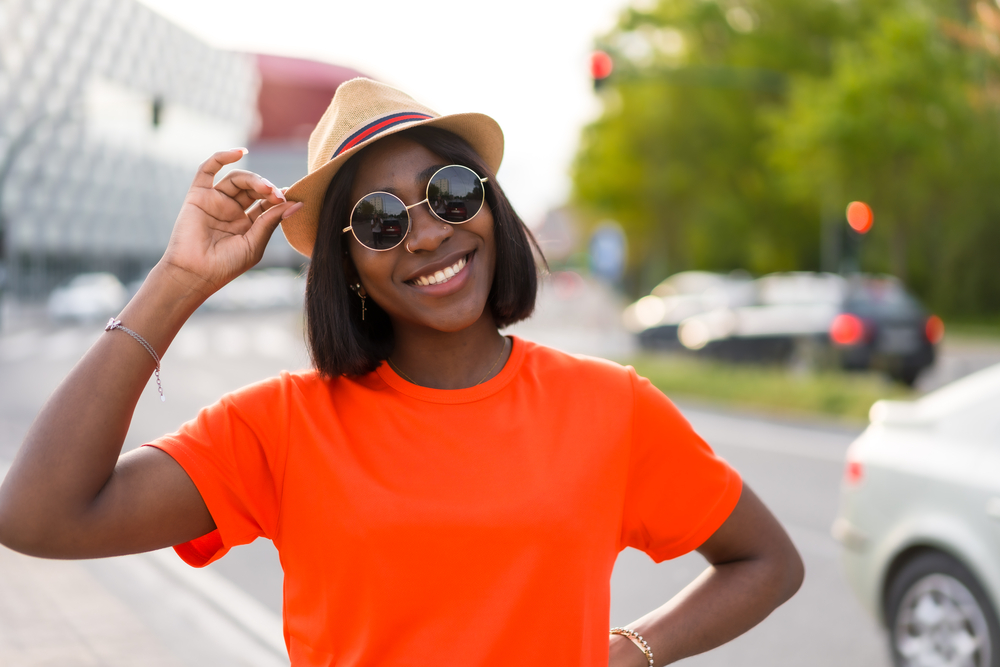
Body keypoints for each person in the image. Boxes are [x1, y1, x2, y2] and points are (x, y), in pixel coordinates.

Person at [0, 78, 803, 667]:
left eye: (449, 194)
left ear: (490, 206)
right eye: (379, 221)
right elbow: (38, 516)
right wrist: (179, 280)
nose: (424, 235)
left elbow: (767, 560)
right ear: (347, 265)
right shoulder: (282, 425)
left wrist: (634, 648)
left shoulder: (610, 404)